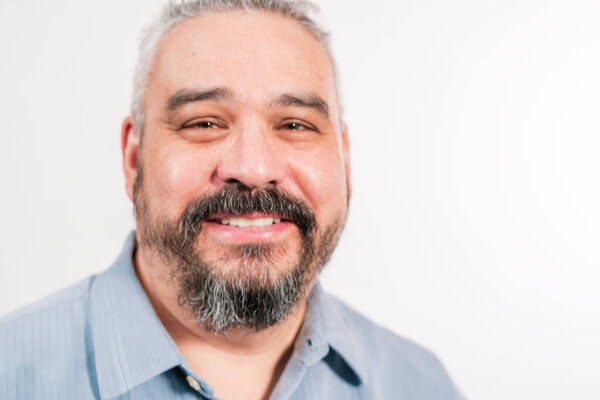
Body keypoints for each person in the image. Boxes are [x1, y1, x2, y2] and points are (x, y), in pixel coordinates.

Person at [0, 1, 464, 399]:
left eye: (295, 125)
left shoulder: (419, 384)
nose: (253, 168)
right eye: (204, 123)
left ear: (345, 158)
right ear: (134, 159)